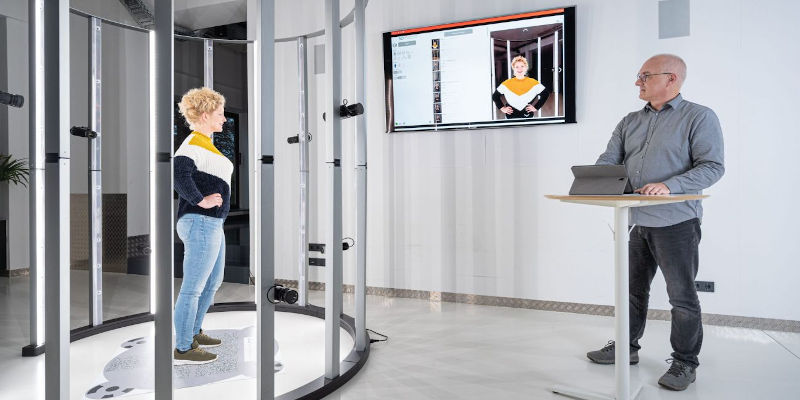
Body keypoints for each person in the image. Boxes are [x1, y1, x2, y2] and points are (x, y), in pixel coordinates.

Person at [587, 54, 724, 391]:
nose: (638, 82)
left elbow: (712, 166)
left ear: (671, 79)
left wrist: (669, 185)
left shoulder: (699, 117)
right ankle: (626, 348)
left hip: (677, 221)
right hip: (633, 221)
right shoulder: (629, 121)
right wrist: (597, 177)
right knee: (632, 291)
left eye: (644, 76)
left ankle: (684, 363)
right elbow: (608, 160)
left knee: (682, 295)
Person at [172, 87, 234, 365]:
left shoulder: (205, 144)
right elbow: (178, 174)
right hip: (200, 222)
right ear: (206, 114)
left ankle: (194, 332)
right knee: (193, 288)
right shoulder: (192, 145)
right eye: (220, 114)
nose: (224, 119)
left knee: (212, 283)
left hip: (211, 224)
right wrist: (201, 200)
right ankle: (184, 347)